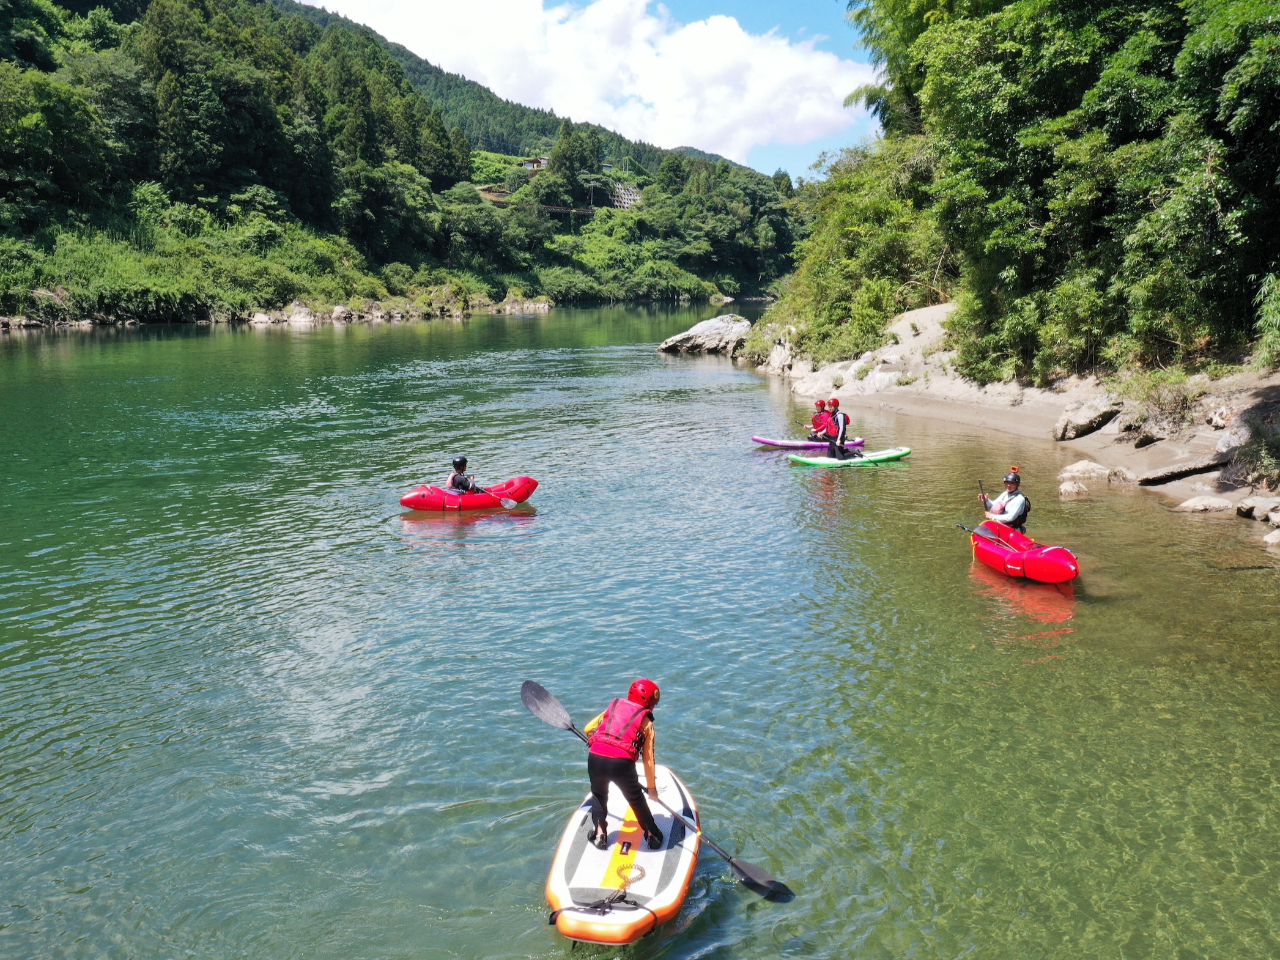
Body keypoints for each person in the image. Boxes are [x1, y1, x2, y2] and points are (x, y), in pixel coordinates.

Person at [582, 678, 665, 852]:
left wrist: (600, 741)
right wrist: (652, 789)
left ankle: (600, 835)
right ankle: (652, 835)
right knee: (635, 798)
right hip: (621, 764)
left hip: (595, 757)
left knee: (598, 795)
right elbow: (649, 760)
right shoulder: (647, 723)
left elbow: (588, 728)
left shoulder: (614, 706)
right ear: (650, 703)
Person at [980, 466, 1031, 532]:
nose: (1009, 485)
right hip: (1000, 526)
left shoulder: (1019, 499)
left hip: (1012, 530)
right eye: (1007, 482)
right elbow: (993, 505)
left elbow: (1010, 517)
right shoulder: (1005, 493)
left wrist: (992, 516)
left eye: (1012, 483)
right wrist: (986, 500)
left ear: (1018, 485)